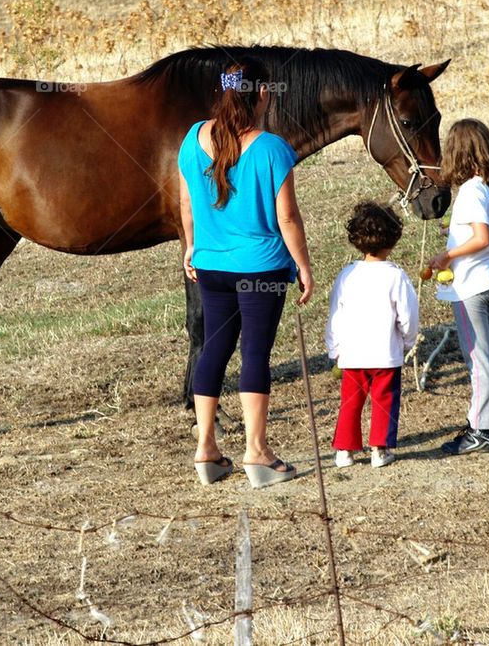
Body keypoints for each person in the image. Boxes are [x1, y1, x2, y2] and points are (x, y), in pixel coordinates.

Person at [178, 59, 314, 488]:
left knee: (213, 350)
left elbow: (185, 203)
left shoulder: (192, 138)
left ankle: (206, 449)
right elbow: (287, 217)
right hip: (261, 267)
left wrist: (191, 246)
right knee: (255, 355)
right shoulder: (272, 148)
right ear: (263, 94)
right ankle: (257, 452)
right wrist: (304, 265)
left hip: (210, 266)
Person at [426, 118, 489, 455]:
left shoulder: (471, 190)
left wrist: (446, 255)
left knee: (477, 358)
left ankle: (482, 430)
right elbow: (486, 232)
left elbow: (482, 237)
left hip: (472, 285)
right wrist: (455, 234)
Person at [325, 201, 419, 468]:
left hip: (352, 355)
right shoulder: (396, 276)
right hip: (386, 354)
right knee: (384, 401)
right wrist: (408, 340)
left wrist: (334, 347)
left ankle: (344, 451)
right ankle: (379, 450)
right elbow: (408, 316)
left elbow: (335, 314)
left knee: (350, 402)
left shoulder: (347, 275)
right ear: (394, 239)